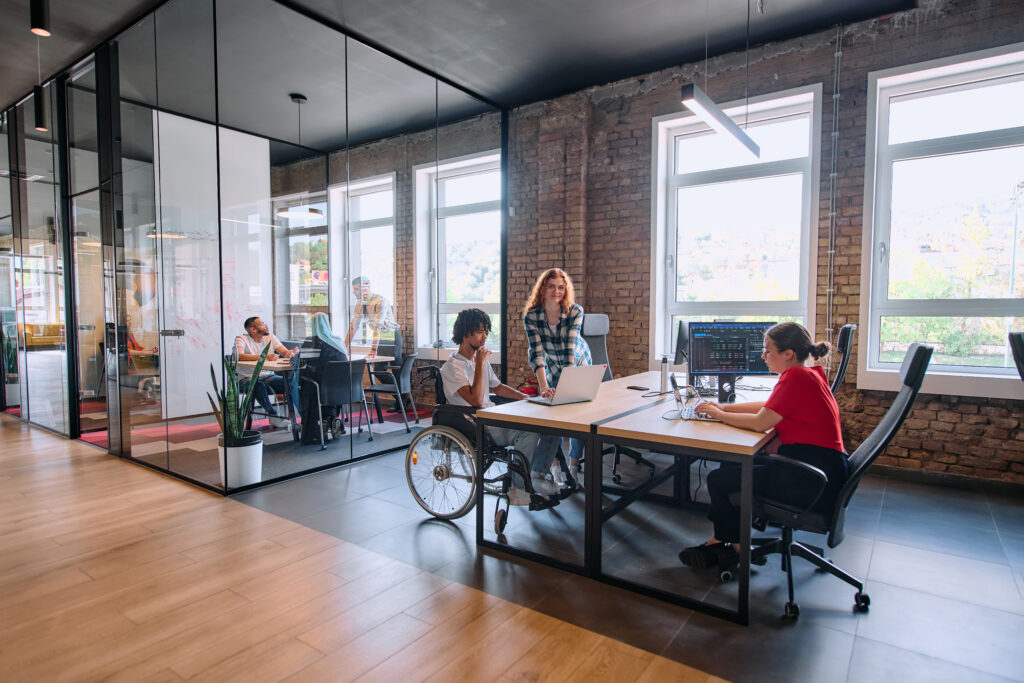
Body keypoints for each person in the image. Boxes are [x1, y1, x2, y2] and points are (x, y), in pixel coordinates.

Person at [678, 322, 848, 569]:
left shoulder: (797, 378)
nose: (763, 356)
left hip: (809, 481)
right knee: (732, 463)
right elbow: (768, 405)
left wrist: (719, 415)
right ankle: (728, 539)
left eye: (768, 350)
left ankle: (733, 546)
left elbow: (760, 422)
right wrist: (723, 407)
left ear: (787, 354)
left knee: (718, 479)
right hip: (823, 471)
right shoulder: (807, 374)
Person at [441, 308, 560, 504]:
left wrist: (526, 398)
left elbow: (498, 388)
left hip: (491, 416)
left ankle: (537, 475)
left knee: (549, 421)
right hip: (474, 424)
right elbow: (476, 400)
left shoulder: (479, 361)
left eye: (485, 331)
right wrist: (479, 364)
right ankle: (518, 491)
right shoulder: (453, 366)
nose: (484, 336)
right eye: (479, 331)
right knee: (527, 432)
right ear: (465, 333)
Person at [522, 268, 592, 485]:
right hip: (551, 364)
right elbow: (536, 351)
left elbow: (570, 348)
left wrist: (568, 384)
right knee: (552, 416)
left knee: (579, 417)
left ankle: (573, 464)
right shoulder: (532, 316)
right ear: (543, 288)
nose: (556, 291)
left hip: (577, 363)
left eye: (561, 287)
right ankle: (554, 467)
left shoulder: (574, 311)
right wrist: (544, 387)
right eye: (551, 286)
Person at [234, 316, 300, 429]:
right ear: (253, 329)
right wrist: (264, 356)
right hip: (245, 379)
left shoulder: (270, 337)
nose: (266, 326)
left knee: (290, 383)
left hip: (266, 376)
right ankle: (273, 415)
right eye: (262, 324)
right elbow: (238, 355)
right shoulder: (241, 339)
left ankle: (304, 417)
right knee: (258, 384)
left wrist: (291, 353)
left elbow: (284, 352)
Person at [299, 312, 349, 444]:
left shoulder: (312, 342)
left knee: (306, 385)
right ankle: (331, 418)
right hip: (341, 388)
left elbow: (301, 363)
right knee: (324, 386)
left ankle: (315, 427)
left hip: (319, 387)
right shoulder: (338, 340)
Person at [345, 275, 398, 357]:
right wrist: (343, 348)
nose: (353, 292)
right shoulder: (360, 304)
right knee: (378, 368)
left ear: (365, 289)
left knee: (392, 368)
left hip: (391, 337)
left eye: (356, 289)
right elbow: (353, 327)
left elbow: (378, 326)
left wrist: (373, 349)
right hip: (379, 338)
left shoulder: (380, 301)